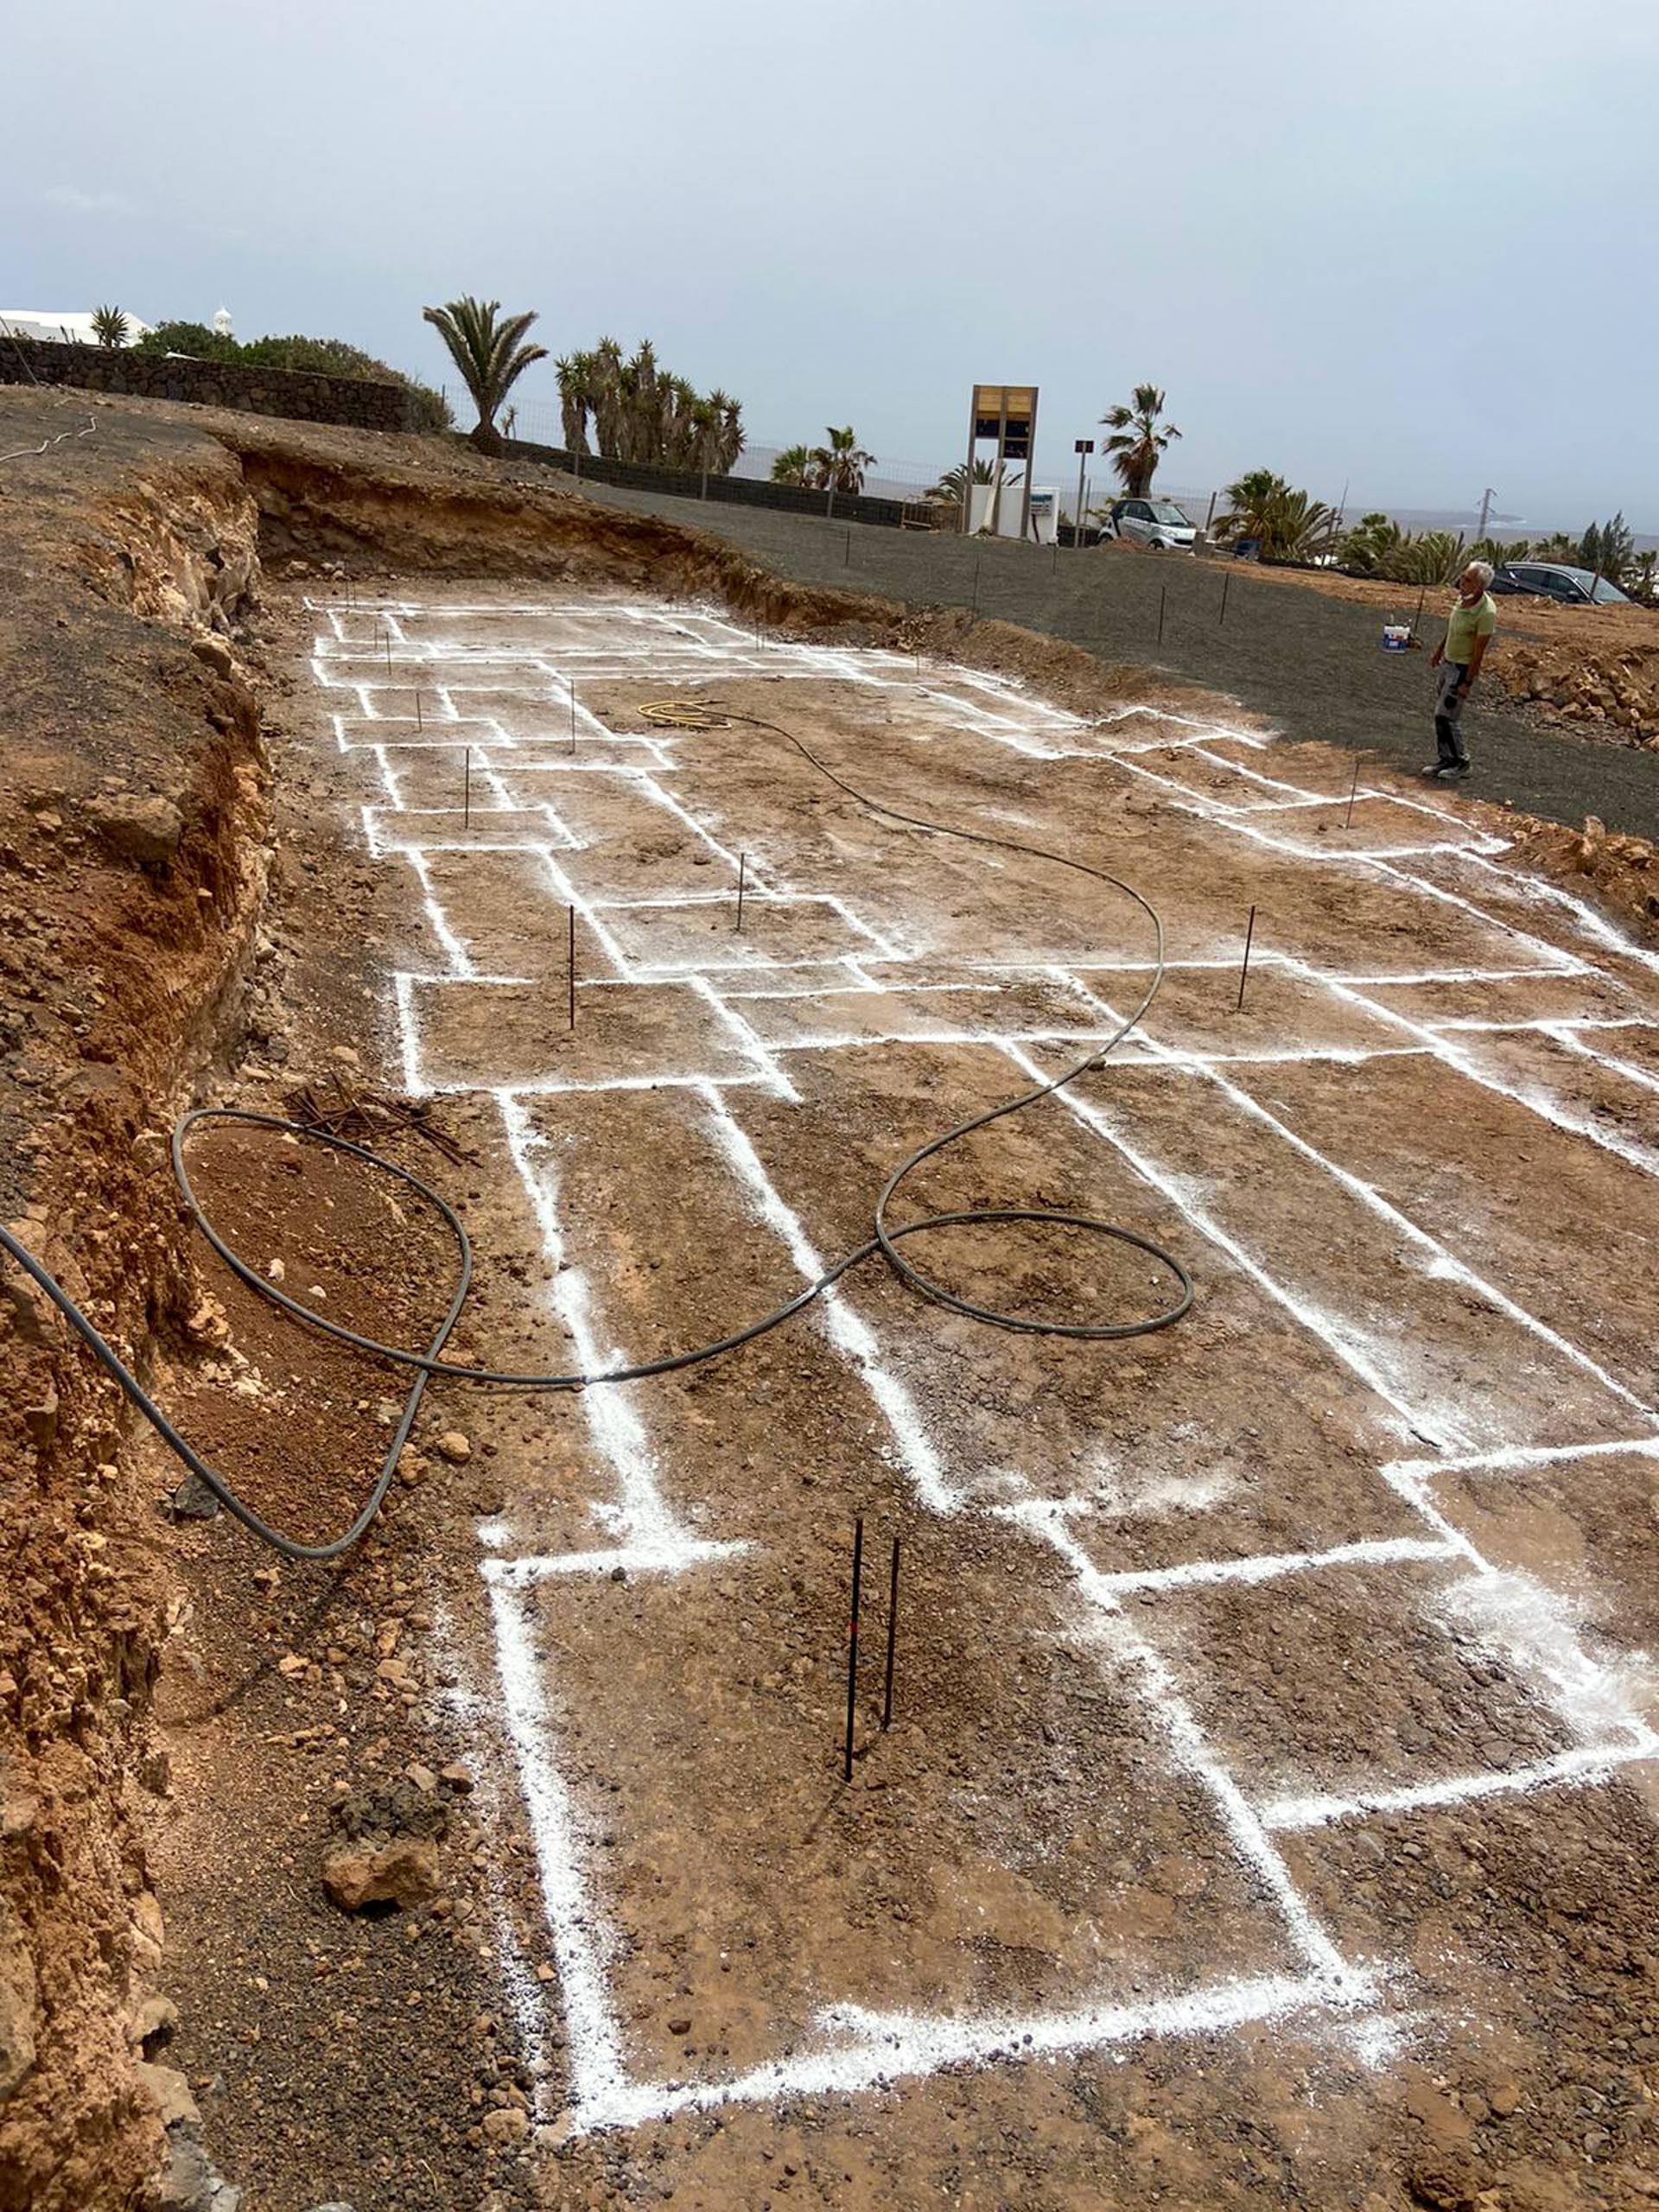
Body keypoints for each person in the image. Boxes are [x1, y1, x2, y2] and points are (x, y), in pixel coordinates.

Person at [1424, 560, 1497, 780]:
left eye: (1468, 580)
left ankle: (1461, 761)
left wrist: (1467, 682)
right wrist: (1439, 651)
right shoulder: (1461, 600)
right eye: (1463, 577)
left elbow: (1478, 652)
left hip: (1461, 669)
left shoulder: (1486, 612)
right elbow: (1453, 629)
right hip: (1448, 663)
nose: (1461, 582)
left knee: (1447, 716)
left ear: (1479, 586)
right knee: (1440, 717)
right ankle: (1445, 758)